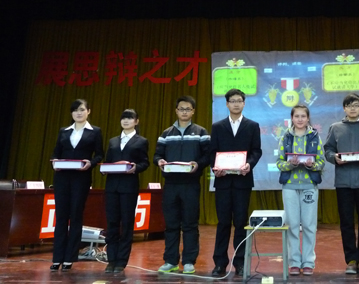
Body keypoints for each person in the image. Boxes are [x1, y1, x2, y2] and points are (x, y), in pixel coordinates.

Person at [153, 96, 211, 274]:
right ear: (176, 111)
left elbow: (208, 155)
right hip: (170, 184)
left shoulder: (201, 132)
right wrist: (160, 161)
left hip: (191, 184)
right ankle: (170, 261)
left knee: (190, 224)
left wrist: (197, 164)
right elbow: (157, 155)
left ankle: (188, 261)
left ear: (193, 111)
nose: (184, 112)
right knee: (171, 224)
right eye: (181, 109)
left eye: (188, 109)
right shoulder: (166, 133)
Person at [324, 93, 359, 275]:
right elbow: (328, 149)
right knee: (346, 222)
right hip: (343, 183)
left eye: (356, 105)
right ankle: (350, 260)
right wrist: (334, 158)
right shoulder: (336, 128)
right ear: (344, 108)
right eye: (349, 105)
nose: (352, 108)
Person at [210, 89, 262, 277]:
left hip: (242, 181)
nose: (236, 104)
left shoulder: (252, 126)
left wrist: (249, 164)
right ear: (227, 104)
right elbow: (212, 152)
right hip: (223, 181)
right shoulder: (218, 126)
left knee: (241, 222)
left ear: (244, 103)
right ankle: (220, 263)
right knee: (223, 223)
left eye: (239, 100)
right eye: (232, 101)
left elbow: (256, 151)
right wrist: (215, 167)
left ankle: (240, 262)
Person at [50, 99, 104, 271]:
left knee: (76, 215)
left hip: (81, 178)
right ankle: (57, 258)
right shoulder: (64, 131)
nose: (78, 113)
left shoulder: (95, 131)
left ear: (89, 111)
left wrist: (91, 163)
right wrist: (54, 162)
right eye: (75, 110)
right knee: (61, 217)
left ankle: (69, 258)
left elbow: (99, 154)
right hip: (62, 177)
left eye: (81, 109)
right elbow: (56, 153)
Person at [276, 105, 325, 276]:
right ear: (292, 118)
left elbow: (321, 162)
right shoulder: (285, 137)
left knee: (310, 225)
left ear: (308, 118)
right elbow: (279, 162)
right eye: (296, 116)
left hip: (309, 185)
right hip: (289, 186)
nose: (300, 119)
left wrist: (312, 165)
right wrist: (290, 164)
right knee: (292, 225)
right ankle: (294, 262)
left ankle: (308, 262)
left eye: (303, 116)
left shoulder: (315, 137)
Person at [103, 109, 149, 273]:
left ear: (136, 121)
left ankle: (121, 261)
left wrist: (135, 167)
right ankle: (111, 260)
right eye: (123, 118)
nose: (126, 121)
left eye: (130, 118)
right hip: (112, 186)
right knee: (112, 223)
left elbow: (145, 163)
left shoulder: (141, 141)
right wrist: (104, 168)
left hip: (129, 187)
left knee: (127, 223)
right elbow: (108, 161)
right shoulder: (113, 141)